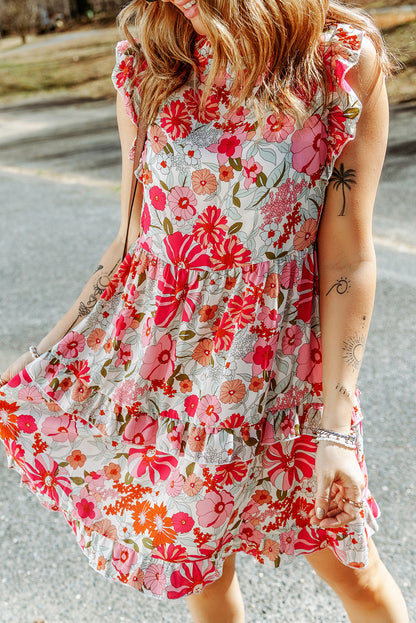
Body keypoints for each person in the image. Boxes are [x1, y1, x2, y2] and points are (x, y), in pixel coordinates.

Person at [0, 0, 409, 621]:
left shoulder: (338, 58)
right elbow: (134, 240)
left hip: (286, 374)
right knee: (204, 575)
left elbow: (348, 261)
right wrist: (36, 359)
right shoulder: (150, 49)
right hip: (173, 373)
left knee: (351, 569)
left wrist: (335, 429)